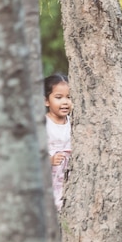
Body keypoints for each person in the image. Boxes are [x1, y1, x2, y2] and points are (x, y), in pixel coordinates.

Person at [44, 73, 72, 211]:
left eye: (69, 97)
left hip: (68, 179)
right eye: (59, 97)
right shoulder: (43, 124)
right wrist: (50, 159)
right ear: (46, 101)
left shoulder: (74, 124)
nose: (65, 102)